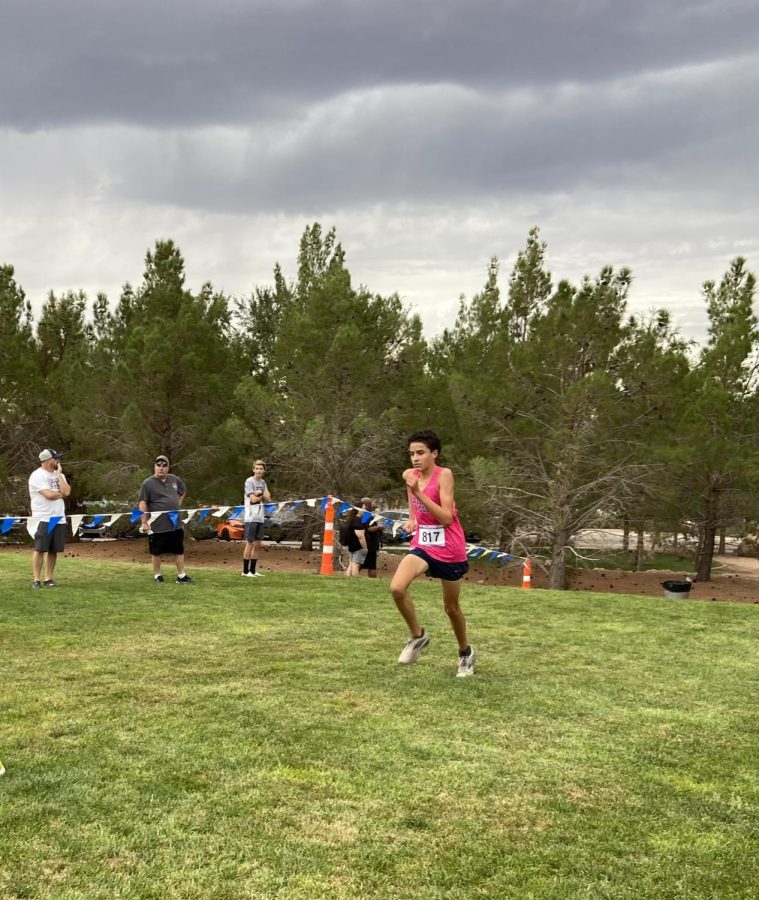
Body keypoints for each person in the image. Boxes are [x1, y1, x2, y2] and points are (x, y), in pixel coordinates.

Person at [389, 430, 475, 677]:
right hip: (423, 543)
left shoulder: (444, 475)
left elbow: (447, 518)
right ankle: (418, 636)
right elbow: (410, 493)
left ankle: (465, 653)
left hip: (449, 546)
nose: (415, 458)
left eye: (420, 453)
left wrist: (418, 492)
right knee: (396, 588)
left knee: (451, 608)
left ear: (434, 454)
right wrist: (413, 518)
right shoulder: (409, 475)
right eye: (411, 454)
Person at [138, 455, 192, 584]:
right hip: (157, 524)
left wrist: (178, 502)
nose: (161, 468)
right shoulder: (148, 483)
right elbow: (142, 503)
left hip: (175, 523)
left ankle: (181, 576)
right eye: (158, 465)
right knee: (156, 551)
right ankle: (157, 576)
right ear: (154, 467)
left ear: (168, 468)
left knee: (178, 550)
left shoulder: (174, 480)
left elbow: (183, 490)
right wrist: (144, 522)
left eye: (164, 466)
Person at [28, 448, 71, 589]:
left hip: (58, 517)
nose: (58, 460)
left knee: (53, 550)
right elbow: (49, 495)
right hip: (43, 517)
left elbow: (67, 491)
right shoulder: (37, 476)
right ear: (47, 460)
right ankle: (36, 580)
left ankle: (48, 579)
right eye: (55, 458)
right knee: (40, 549)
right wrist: (61, 493)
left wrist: (58, 475)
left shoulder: (59, 475)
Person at [242, 459, 272, 577]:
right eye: (257, 468)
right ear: (253, 469)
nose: (259, 471)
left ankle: (253, 570)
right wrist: (261, 495)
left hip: (260, 517)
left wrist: (261, 493)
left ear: (264, 471)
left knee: (258, 544)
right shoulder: (249, 481)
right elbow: (253, 499)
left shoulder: (263, 482)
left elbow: (269, 499)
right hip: (251, 516)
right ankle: (245, 571)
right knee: (250, 543)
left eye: (261, 469)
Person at [359, 497, 382, 578]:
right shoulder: (367, 516)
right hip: (369, 544)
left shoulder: (363, 515)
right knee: (369, 565)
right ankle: (372, 580)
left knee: (360, 564)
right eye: (372, 503)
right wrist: (379, 527)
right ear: (367, 505)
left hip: (368, 544)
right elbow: (369, 529)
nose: (374, 505)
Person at [344, 505, 368, 577]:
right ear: (358, 509)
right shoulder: (357, 520)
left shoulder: (351, 519)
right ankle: (356, 581)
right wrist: (365, 547)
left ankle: (348, 580)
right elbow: (360, 536)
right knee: (356, 565)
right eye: (363, 508)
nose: (365, 510)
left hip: (351, 545)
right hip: (358, 546)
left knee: (351, 564)